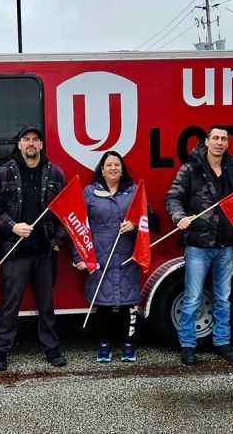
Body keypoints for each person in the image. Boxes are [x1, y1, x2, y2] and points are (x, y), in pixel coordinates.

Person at [0, 127, 68, 371]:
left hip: (44, 251)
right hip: (14, 251)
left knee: (47, 303)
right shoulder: (3, 173)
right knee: (10, 304)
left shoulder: (55, 173)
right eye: (26, 140)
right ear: (20, 145)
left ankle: (51, 348)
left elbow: (65, 213)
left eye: (35, 139)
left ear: (41, 145)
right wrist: (12, 227)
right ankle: (1, 351)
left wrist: (57, 241)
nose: (31, 144)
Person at [165, 125, 233, 365]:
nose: (220, 142)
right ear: (206, 142)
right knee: (192, 297)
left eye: (224, 139)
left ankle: (222, 342)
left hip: (225, 245)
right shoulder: (190, 168)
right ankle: (188, 345)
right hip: (198, 245)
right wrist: (179, 217)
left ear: (228, 143)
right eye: (215, 138)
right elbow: (173, 197)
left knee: (223, 298)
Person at [73, 151, 158, 363]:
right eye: (108, 165)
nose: (113, 168)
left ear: (122, 170)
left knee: (128, 303)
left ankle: (128, 345)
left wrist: (135, 223)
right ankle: (104, 345)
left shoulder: (134, 192)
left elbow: (151, 222)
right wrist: (79, 257)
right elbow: (78, 226)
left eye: (117, 165)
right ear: (101, 169)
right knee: (102, 303)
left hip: (127, 256)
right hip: (99, 256)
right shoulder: (89, 193)